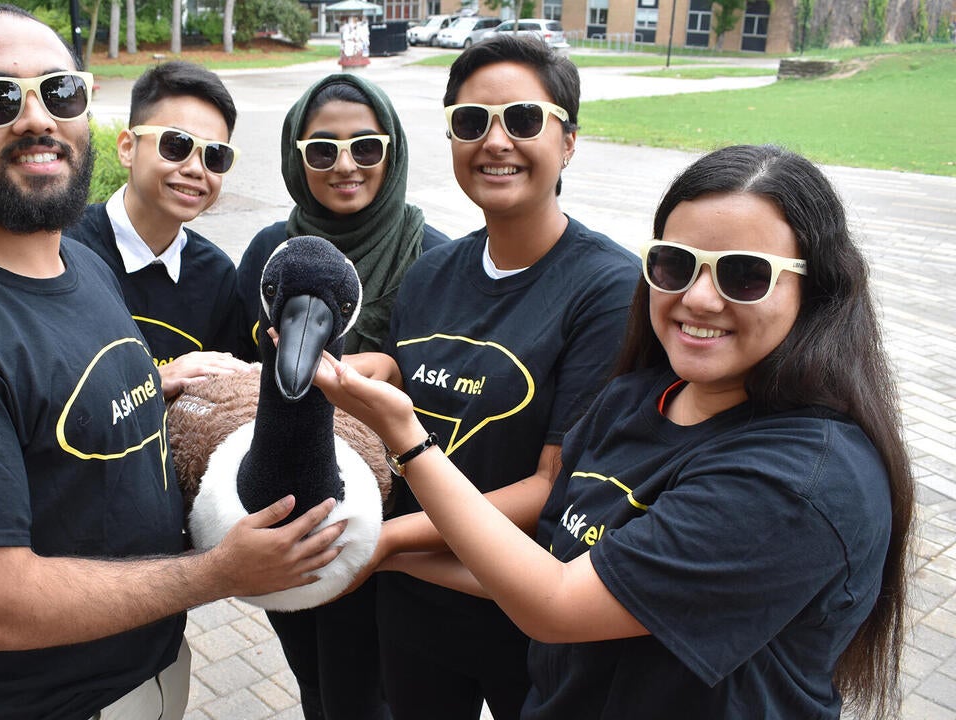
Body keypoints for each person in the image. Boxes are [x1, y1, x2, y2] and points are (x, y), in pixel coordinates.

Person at [0, 6, 344, 719]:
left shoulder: (79, 264)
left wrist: (157, 385)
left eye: (61, 92)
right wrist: (217, 572)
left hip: (151, 671)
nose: (37, 118)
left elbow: (64, 409)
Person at [314, 144, 913, 720]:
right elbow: (545, 564)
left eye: (745, 275)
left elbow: (556, 603)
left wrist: (407, 438)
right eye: (676, 264)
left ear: (817, 289)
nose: (699, 298)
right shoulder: (635, 397)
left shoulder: (797, 483)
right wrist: (381, 554)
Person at [343, 35, 640, 719]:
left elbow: (553, 483)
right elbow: (411, 392)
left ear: (568, 142)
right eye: (472, 121)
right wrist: (378, 371)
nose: (496, 141)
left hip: (525, 614)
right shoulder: (430, 271)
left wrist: (390, 541)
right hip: (414, 604)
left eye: (525, 119)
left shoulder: (609, 290)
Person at [235, 72, 449, 720]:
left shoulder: (431, 258)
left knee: (369, 693)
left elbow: (450, 391)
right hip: (290, 514)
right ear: (296, 157)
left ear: (393, 152)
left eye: (366, 146)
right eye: (323, 149)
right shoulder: (270, 254)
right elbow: (239, 372)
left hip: (391, 529)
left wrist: (395, 369)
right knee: (314, 679)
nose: (346, 165)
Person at [65, 61, 247, 398]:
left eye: (214, 156)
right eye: (176, 145)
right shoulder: (63, 251)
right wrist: (154, 380)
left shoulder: (217, 275)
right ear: (127, 148)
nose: (196, 169)